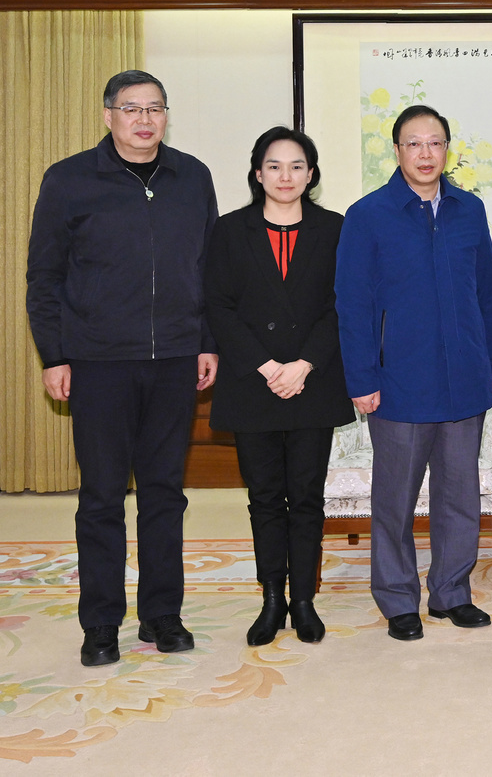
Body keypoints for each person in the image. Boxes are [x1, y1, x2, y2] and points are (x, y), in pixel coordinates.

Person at [26, 70, 219, 666]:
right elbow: (44, 277)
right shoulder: (69, 179)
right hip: (98, 361)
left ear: (166, 116)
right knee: (102, 497)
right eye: (131, 108)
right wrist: (54, 354)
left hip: (175, 360)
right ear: (108, 115)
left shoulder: (193, 177)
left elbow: (209, 270)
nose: (144, 119)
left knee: (164, 494)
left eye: (154, 108)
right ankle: (101, 623)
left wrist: (207, 342)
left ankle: (162, 615)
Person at [335, 104, 492, 640]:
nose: (425, 154)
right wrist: (362, 378)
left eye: (435, 143)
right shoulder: (368, 214)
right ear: (397, 151)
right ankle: (398, 599)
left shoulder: (469, 210)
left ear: (447, 150)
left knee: (460, 496)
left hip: (464, 378)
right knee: (395, 500)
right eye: (414, 143)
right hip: (398, 383)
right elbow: (352, 304)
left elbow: (487, 292)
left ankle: (452, 592)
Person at [204, 127, 354, 646]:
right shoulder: (230, 230)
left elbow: (343, 303)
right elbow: (218, 306)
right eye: (274, 166)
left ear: (311, 174)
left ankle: (304, 601)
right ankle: (272, 599)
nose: (285, 176)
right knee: (265, 497)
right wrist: (267, 366)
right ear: (257, 173)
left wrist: (305, 363)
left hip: (313, 382)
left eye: (296, 166)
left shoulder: (334, 228)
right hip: (254, 384)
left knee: (307, 498)